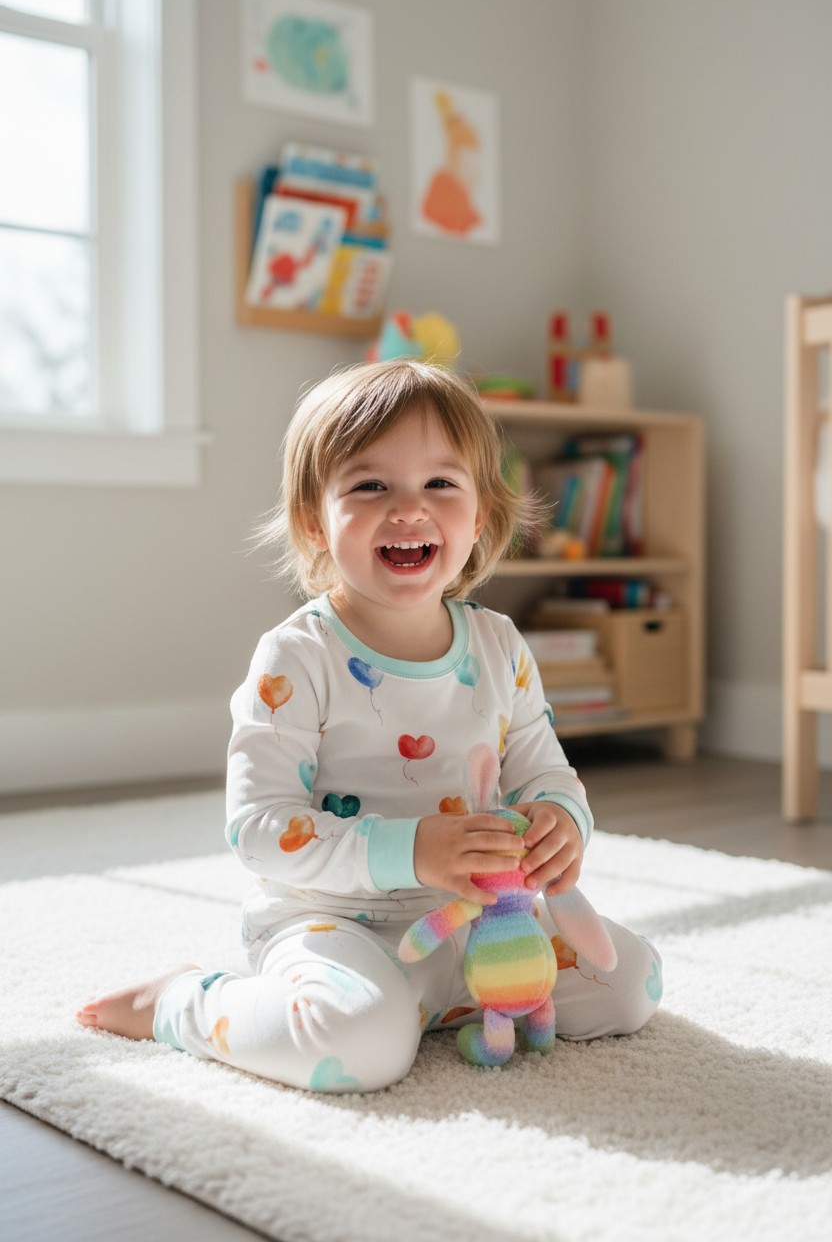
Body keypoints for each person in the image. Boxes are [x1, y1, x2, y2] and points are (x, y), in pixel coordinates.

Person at [76, 359, 662, 1092]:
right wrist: (410, 849)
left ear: (478, 516)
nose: (409, 509)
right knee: (359, 1049)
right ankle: (182, 1003)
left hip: (478, 923)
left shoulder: (499, 645)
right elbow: (260, 829)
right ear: (312, 520)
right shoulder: (298, 656)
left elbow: (544, 770)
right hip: (335, 925)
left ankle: (438, 1002)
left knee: (629, 981)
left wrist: (560, 822)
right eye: (370, 485)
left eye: (440, 485)